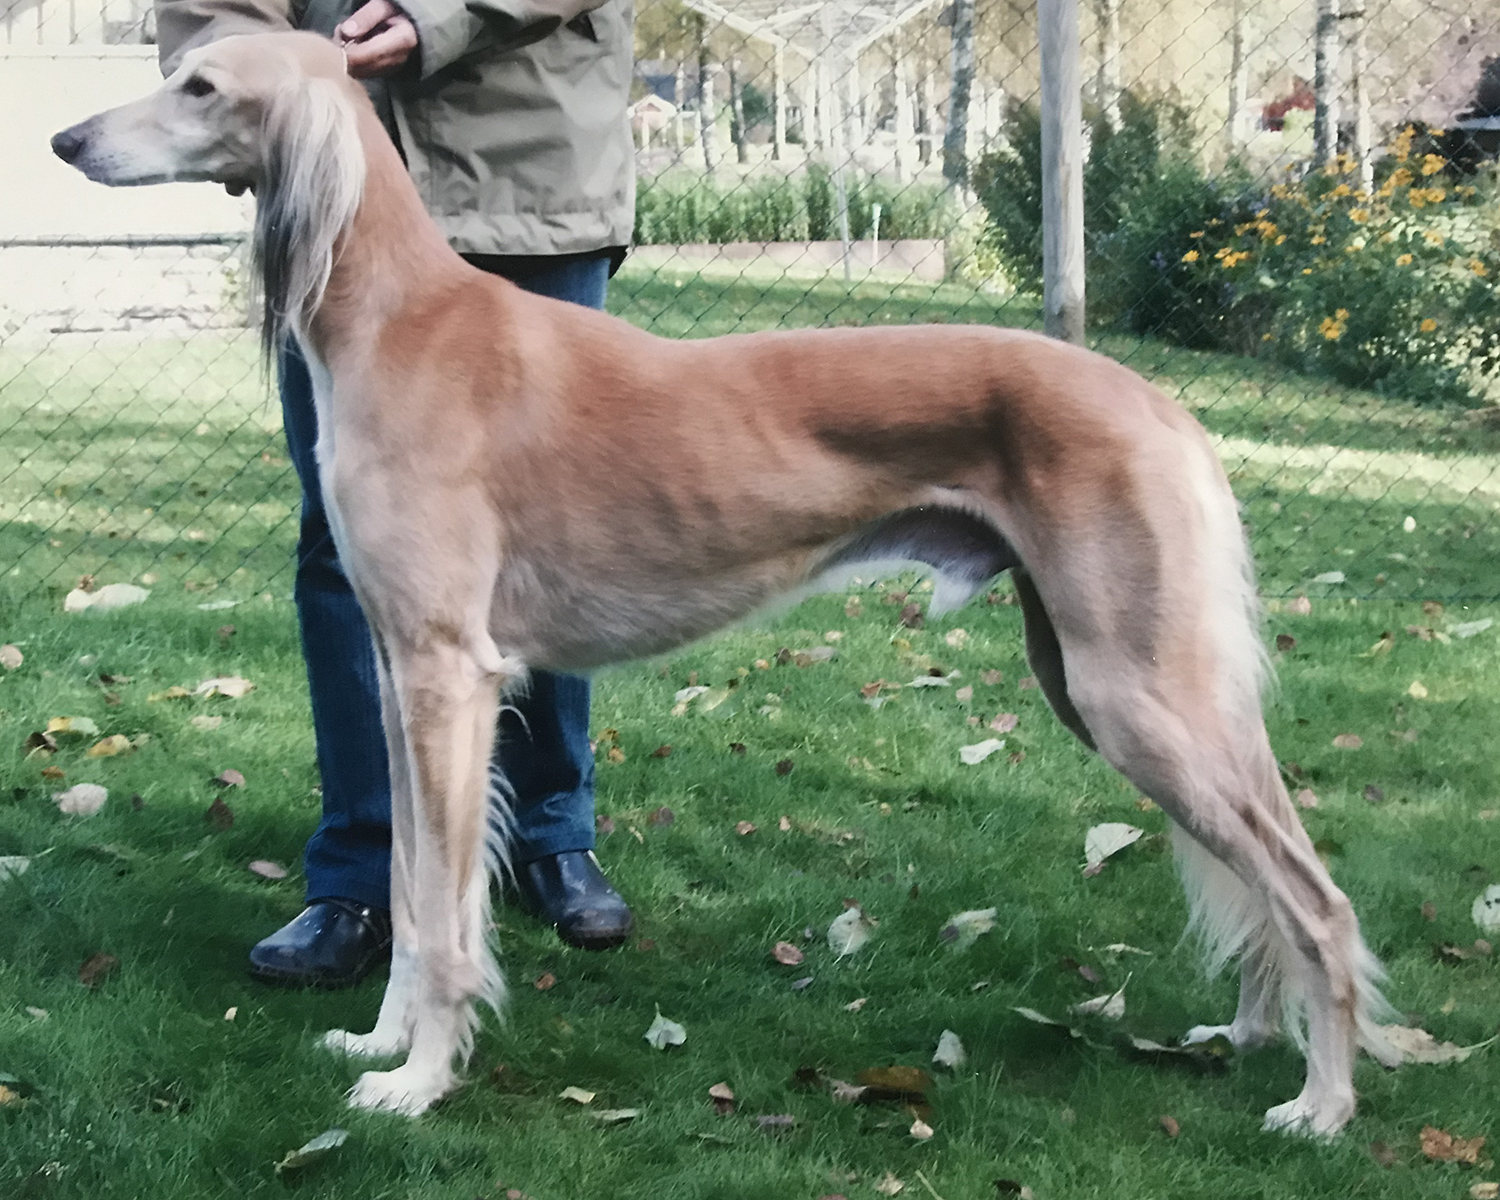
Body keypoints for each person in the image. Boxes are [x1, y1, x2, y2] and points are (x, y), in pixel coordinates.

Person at [154, 0, 637, 985]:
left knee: (559, 530)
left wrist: (443, 17)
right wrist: (245, 72)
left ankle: (548, 834)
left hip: (527, 166)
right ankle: (366, 873)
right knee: (350, 545)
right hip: (335, 187)